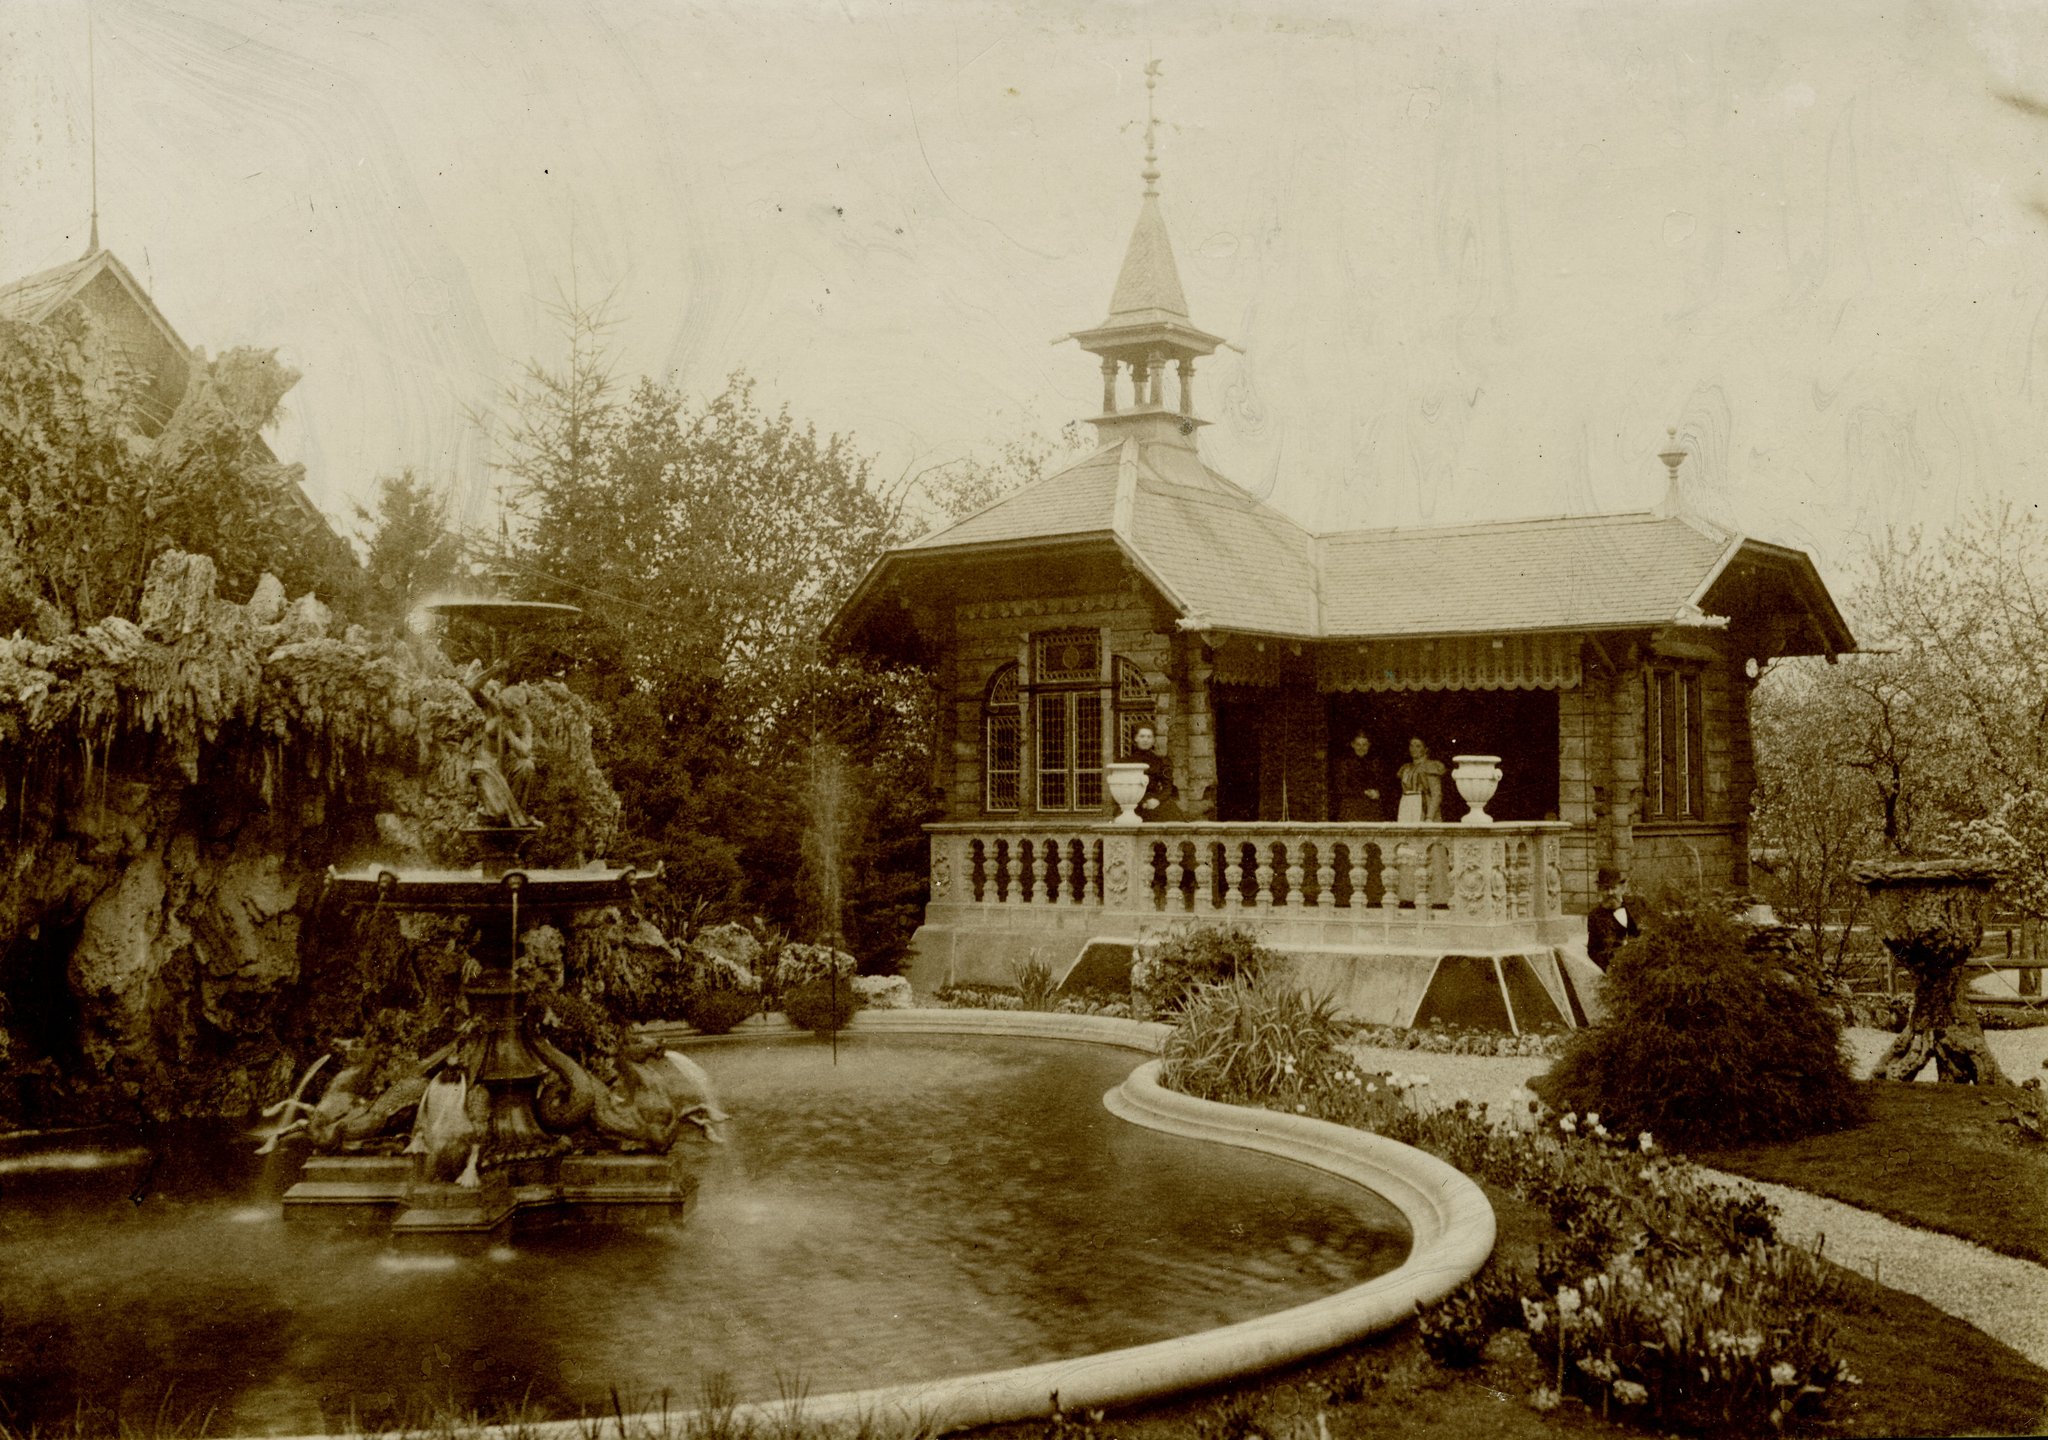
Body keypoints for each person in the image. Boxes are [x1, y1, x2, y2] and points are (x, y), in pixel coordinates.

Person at [1118, 723, 1179, 821]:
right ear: (1135, 739)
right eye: (1142, 736)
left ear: (1153, 740)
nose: (1145, 740)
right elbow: (1121, 788)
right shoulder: (1125, 762)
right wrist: (1141, 802)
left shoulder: (1161, 762)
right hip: (1131, 802)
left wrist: (1157, 800)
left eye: (1149, 737)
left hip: (1154, 801)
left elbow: (1168, 788)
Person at [1586, 867, 1640, 971]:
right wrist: (1607, 967)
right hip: (1614, 968)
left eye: (1613, 888)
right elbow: (1593, 951)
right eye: (1606, 889)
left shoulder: (1635, 907)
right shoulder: (1595, 916)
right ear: (1600, 890)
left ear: (1621, 888)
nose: (1610, 893)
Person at [1331, 732, 1385, 821]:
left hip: (1371, 809)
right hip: (1351, 809)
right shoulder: (1345, 764)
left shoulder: (1375, 763)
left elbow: (1382, 784)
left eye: (1364, 745)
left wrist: (1378, 793)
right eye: (1358, 744)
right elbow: (1341, 787)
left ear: (1369, 745)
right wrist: (1364, 793)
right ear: (1352, 745)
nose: (1361, 748)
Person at [1396, 737, 1446, 823]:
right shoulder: (1406, 767)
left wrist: (1429, 817)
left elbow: (1436, 794)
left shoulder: (1430, 766)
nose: (1413, 749)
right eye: (1411, 746)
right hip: (1406, 806)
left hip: (1423, 808)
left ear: (1426, 749)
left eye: (1418, 746)